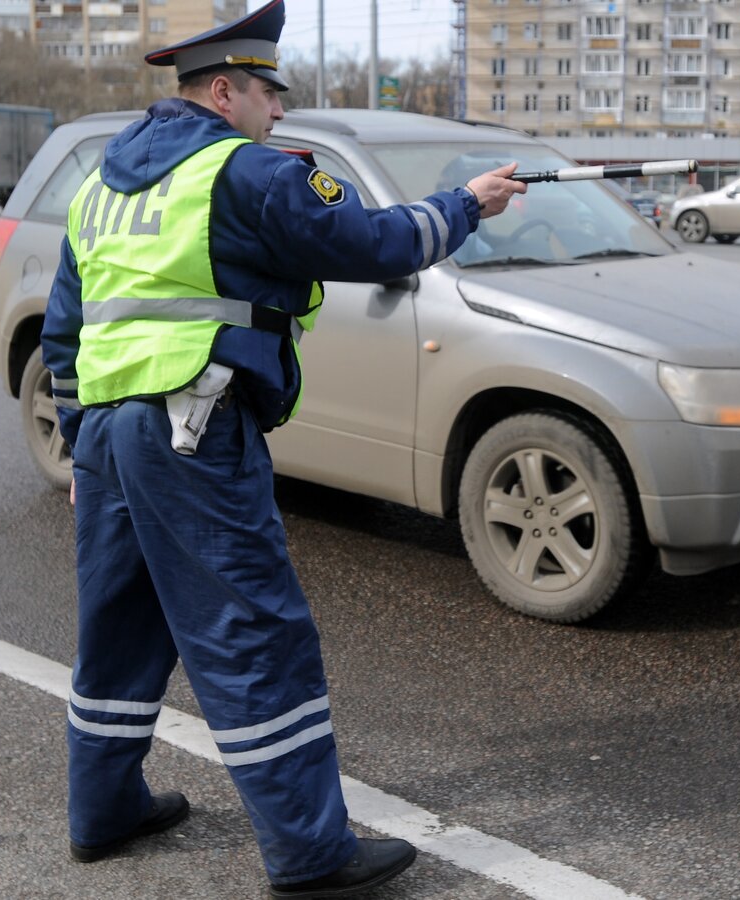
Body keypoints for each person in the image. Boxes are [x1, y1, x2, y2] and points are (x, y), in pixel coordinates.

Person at [39, 0, 525, 895]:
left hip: (108, 434)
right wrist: (469, 204)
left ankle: (101, 812)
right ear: (224, 91)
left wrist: (77, 449)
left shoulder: (100, 190)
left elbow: (65, 334)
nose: (280, 110)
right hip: (193, 424)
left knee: (117, 628)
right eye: (269, 92)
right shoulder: (245, 173)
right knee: (253, 632)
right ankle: (311, 853)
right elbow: (378, 245)